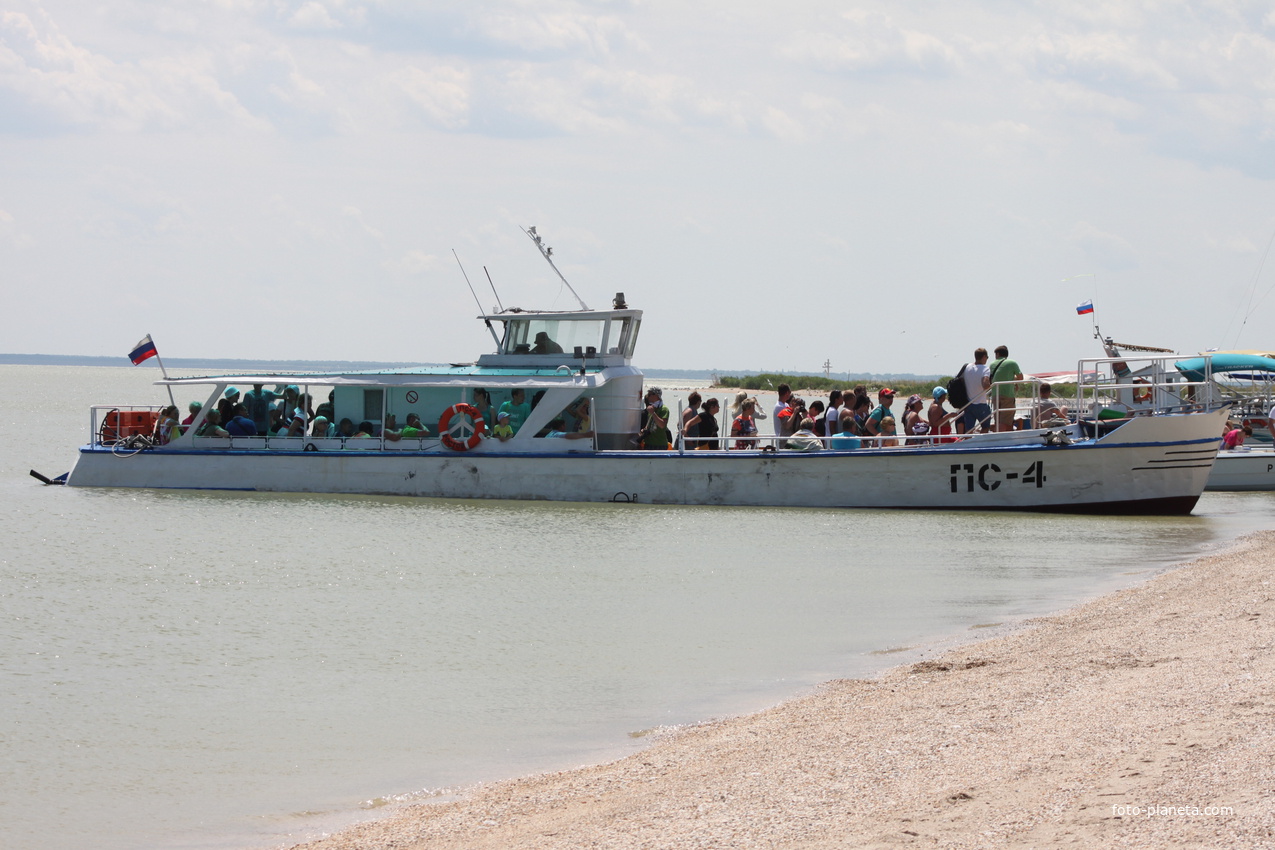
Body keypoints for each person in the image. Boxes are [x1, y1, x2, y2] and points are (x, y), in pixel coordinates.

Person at [988, 345, 1023, 432]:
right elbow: (1020, 377)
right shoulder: (1012, 363)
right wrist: (1013, 379)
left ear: (998, 354)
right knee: (1007, 422)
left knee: (998, 420)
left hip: (995, 395)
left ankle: (988, 429)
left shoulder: (992, 364)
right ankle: (997, 432)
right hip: (1008, 395)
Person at [960, 348, 993, 434]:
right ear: (984, 357)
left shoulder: (968, 367)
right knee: (985, 427)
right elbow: (985, 385)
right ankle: (981, 443)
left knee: (969, 430)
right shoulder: (985, 369)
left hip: (968, 403)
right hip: (980, 403)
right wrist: (991, 385)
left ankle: (969, 444)